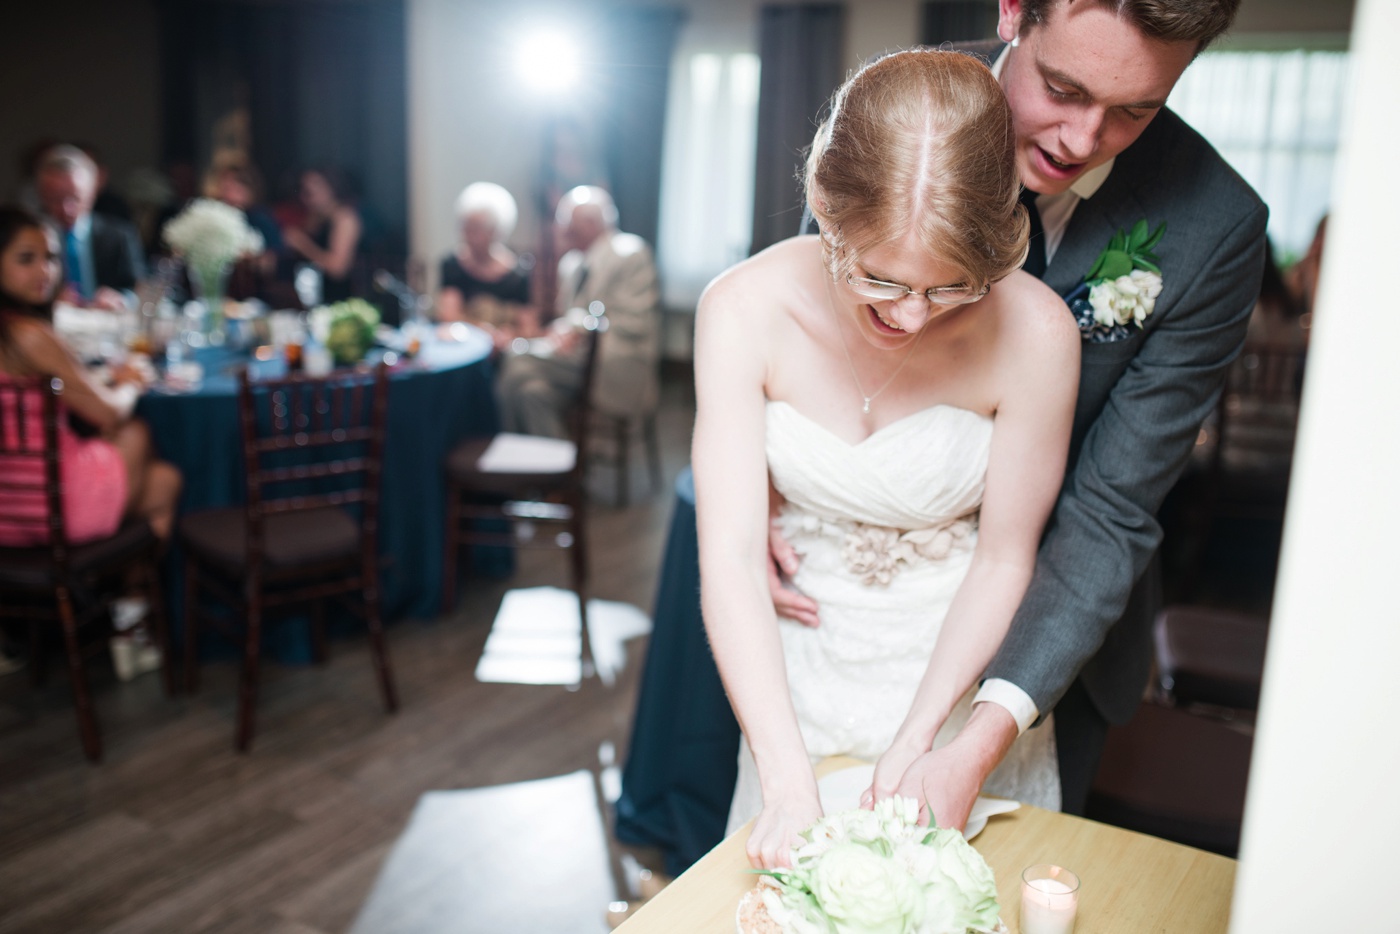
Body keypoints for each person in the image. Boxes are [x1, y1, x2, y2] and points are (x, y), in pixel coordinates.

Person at [770, 0, 1268, 831]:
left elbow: (1111, 509)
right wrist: (763, 488)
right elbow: (807, 339)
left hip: (1044, 645)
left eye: (1135, 110)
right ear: (1013, 12)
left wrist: (986, 731)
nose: (1081, 139)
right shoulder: (897, 106)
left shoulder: (1215, 227)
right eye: (1063, 88)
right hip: (843, 616)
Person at [696, 49, 1081, 870]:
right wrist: (786, 776)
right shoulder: (740, 310)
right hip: (792, 682)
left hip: (952, 674)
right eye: (878, 279)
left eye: (948, 288)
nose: (909, 316)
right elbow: (729, 556)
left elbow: (1006, 557)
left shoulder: (1040, 335)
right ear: (826, 211)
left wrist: (922, 736)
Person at [0, 207, 181, 546]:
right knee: (135, 431)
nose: (45, 271)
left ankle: (124, 595)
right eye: (26, 259)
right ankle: (114, 593)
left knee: (165, 481)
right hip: (41, 507)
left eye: (51, 258)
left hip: (9, 498)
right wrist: (130, 382)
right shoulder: (25, 334)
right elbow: (108, 412)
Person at [496, 185, 661, 439]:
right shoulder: (571, 264)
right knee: (531, 392)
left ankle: (518, 460)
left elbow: (632, 322)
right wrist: (563, 332)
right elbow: (570, 317)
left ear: (590, 223)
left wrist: (575, 327)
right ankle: (558, 469)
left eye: (567, 223)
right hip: (576, 359)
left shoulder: (629, 253)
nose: (561, 231)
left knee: (516, 357)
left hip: (614, 360)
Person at [34, 145, 146, 311]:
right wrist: (47, 299)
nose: (66, 209)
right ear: (41, 195)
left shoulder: (119, 235)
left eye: (75, 198)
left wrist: (121, 299)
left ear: (93, 191)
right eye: (55, 199)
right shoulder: (32, 237)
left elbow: (140, 290)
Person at [436, 182, 534, 338]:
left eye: (476, 229)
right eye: (465, 228)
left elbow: (528, 329)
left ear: (496, 231)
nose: (468, 236)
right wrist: (482, 331)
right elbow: (448, 316)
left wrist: (507, 336)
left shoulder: (518, 274)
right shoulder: (453, 265)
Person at [283, 166, 362, 303]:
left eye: (311, 191)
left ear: (331, 188)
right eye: (304, 191)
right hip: (312, 296)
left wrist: (303, 245)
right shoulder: (316, 218)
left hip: (339, 300)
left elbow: (338, 268)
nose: (306, 197)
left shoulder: (345, 219)